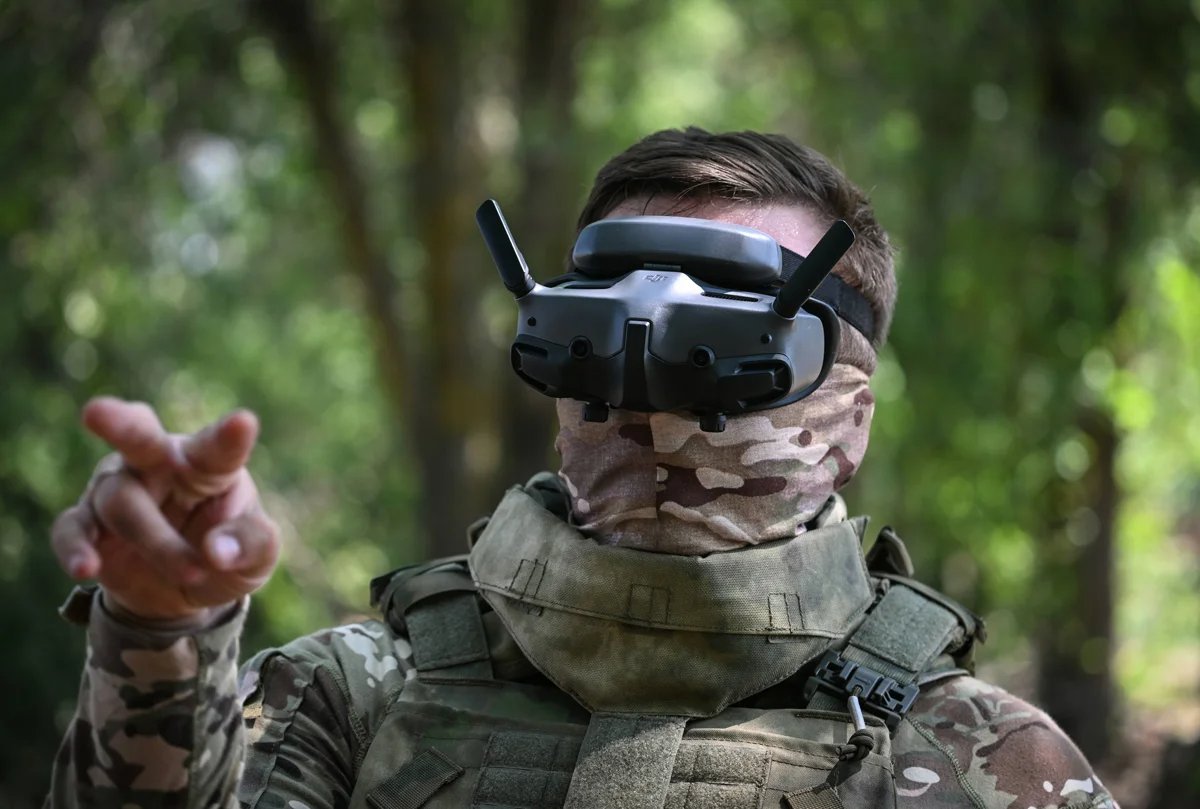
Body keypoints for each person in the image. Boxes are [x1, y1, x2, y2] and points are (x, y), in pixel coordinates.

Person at [46, 128, 1117, 809]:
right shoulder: (360, 692)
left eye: (726, 356)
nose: (652, 400)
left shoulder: (985, 755)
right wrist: (156, 631)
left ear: (851, 413)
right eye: (599, 335)